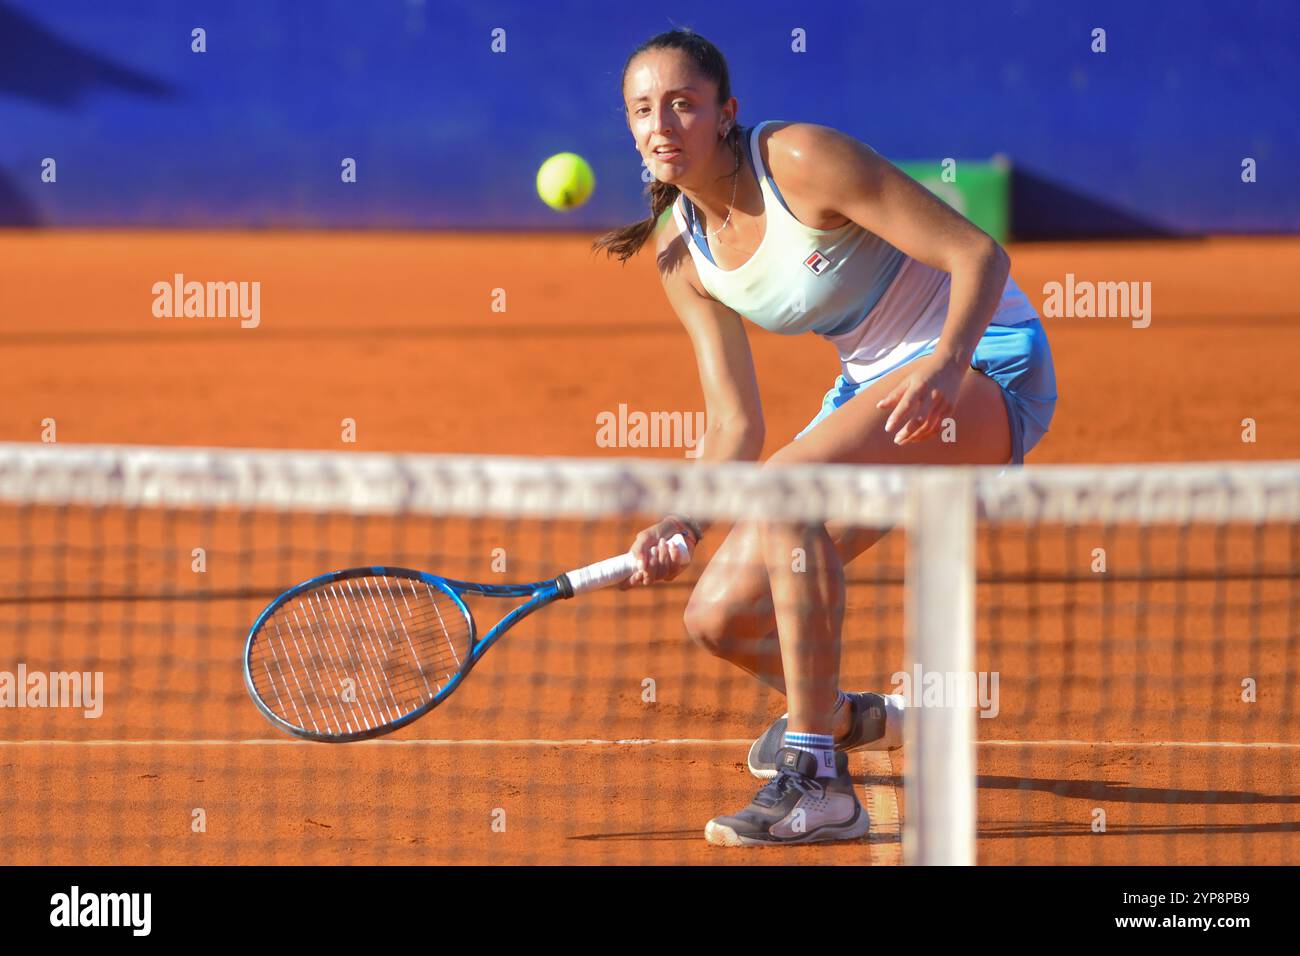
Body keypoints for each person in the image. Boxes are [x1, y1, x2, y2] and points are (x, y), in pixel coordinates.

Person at [593, 29, 1056, 846]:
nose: (662, 123)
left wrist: (949, 362)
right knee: (721, 616)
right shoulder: (681, 253)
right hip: (872, 390)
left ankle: (817, 778)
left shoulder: (800, 160)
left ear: (725, 112)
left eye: (683, 103)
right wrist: (684, 522)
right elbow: (734, 421)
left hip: (982, 362)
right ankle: (848, 718)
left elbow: (977, 254)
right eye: (643, 109)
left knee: (789, 486)